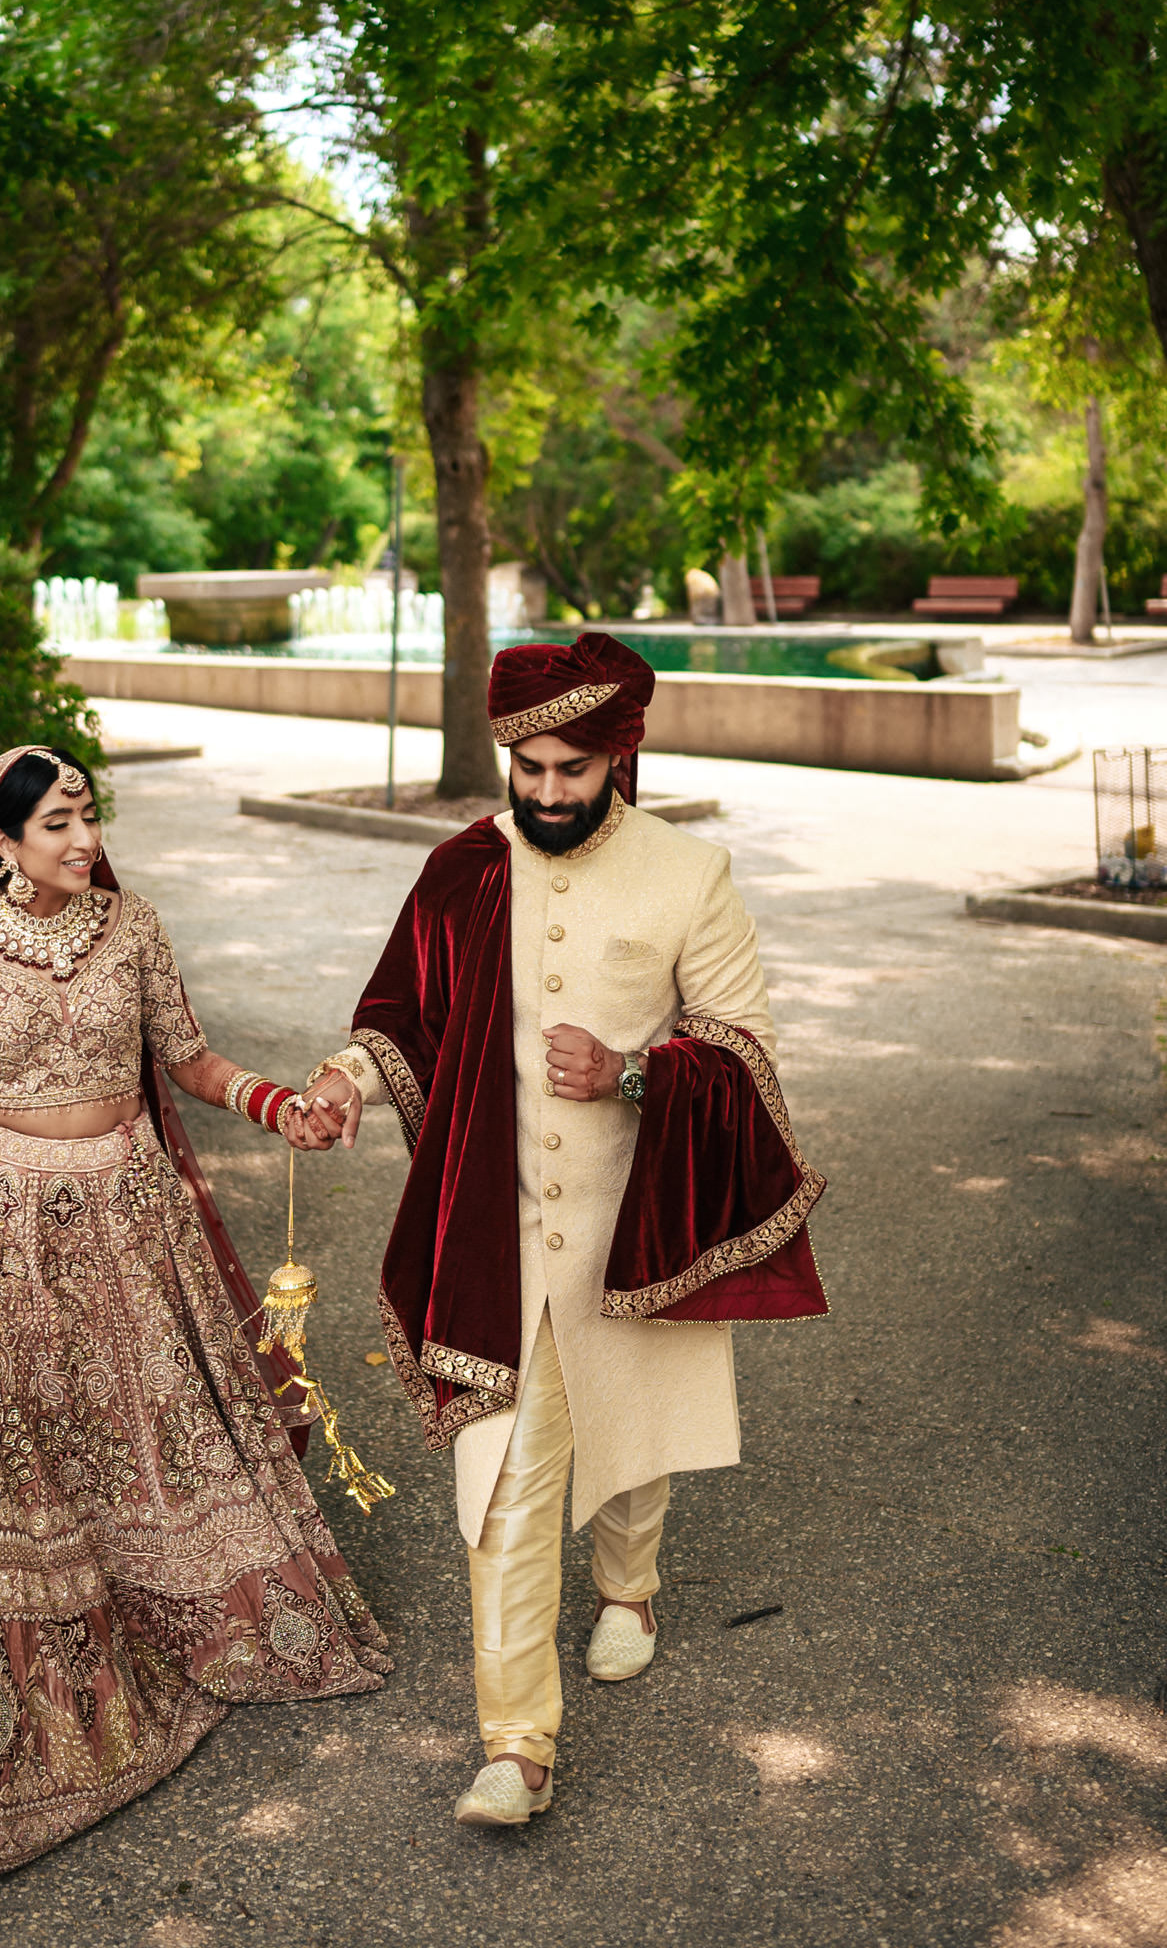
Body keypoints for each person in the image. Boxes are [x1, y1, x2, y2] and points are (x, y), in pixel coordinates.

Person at [0, 744, 389, 1878]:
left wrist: (280, 1104)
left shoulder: (134, 927)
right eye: (54, 825)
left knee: (150, 1428)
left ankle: (171, 1609)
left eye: (85, 816)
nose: (82, 841)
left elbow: (186, 1062)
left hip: (131, 1216)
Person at [301, 635, 826, 1828]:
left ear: (619, 754)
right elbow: (398, 1020)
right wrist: (343, 1081)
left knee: (628, 1441)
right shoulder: (459, 872)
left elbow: (746, 1048)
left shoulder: (690, 874)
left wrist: (637, 1074)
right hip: (496, 1232)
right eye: (527, 768)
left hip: (628, 1228)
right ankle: (516, 1745)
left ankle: (629, 1587)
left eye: (570, 771)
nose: (544, 793)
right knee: (505, 1488)